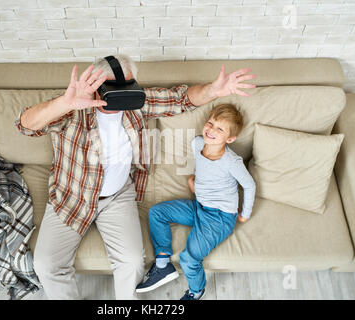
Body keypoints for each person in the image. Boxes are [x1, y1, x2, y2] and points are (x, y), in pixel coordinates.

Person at [15, 54, 256, 300]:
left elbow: (180, 99)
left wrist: (214, 91)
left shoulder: (136, 104)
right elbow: (25, 125)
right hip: (71, 196)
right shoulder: (72, 108)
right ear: (97, 87)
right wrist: (64, 103)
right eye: (114, 88)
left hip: (117, 197)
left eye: (128, 86)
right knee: (45, 265)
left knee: (132, 264)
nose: (123, 95)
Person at [135, 103, 256, 300]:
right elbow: (208, 173)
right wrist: (195, 185)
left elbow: (249, 185)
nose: (211, 130)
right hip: (200, 206)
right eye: (211, 123)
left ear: (230, 138)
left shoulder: (231, 162)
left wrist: (244, 214)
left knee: (189, 258)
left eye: (220, 128)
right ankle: (163, 265)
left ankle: (196, 290)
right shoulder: (197, 143)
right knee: (157, 212)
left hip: (219, 217)